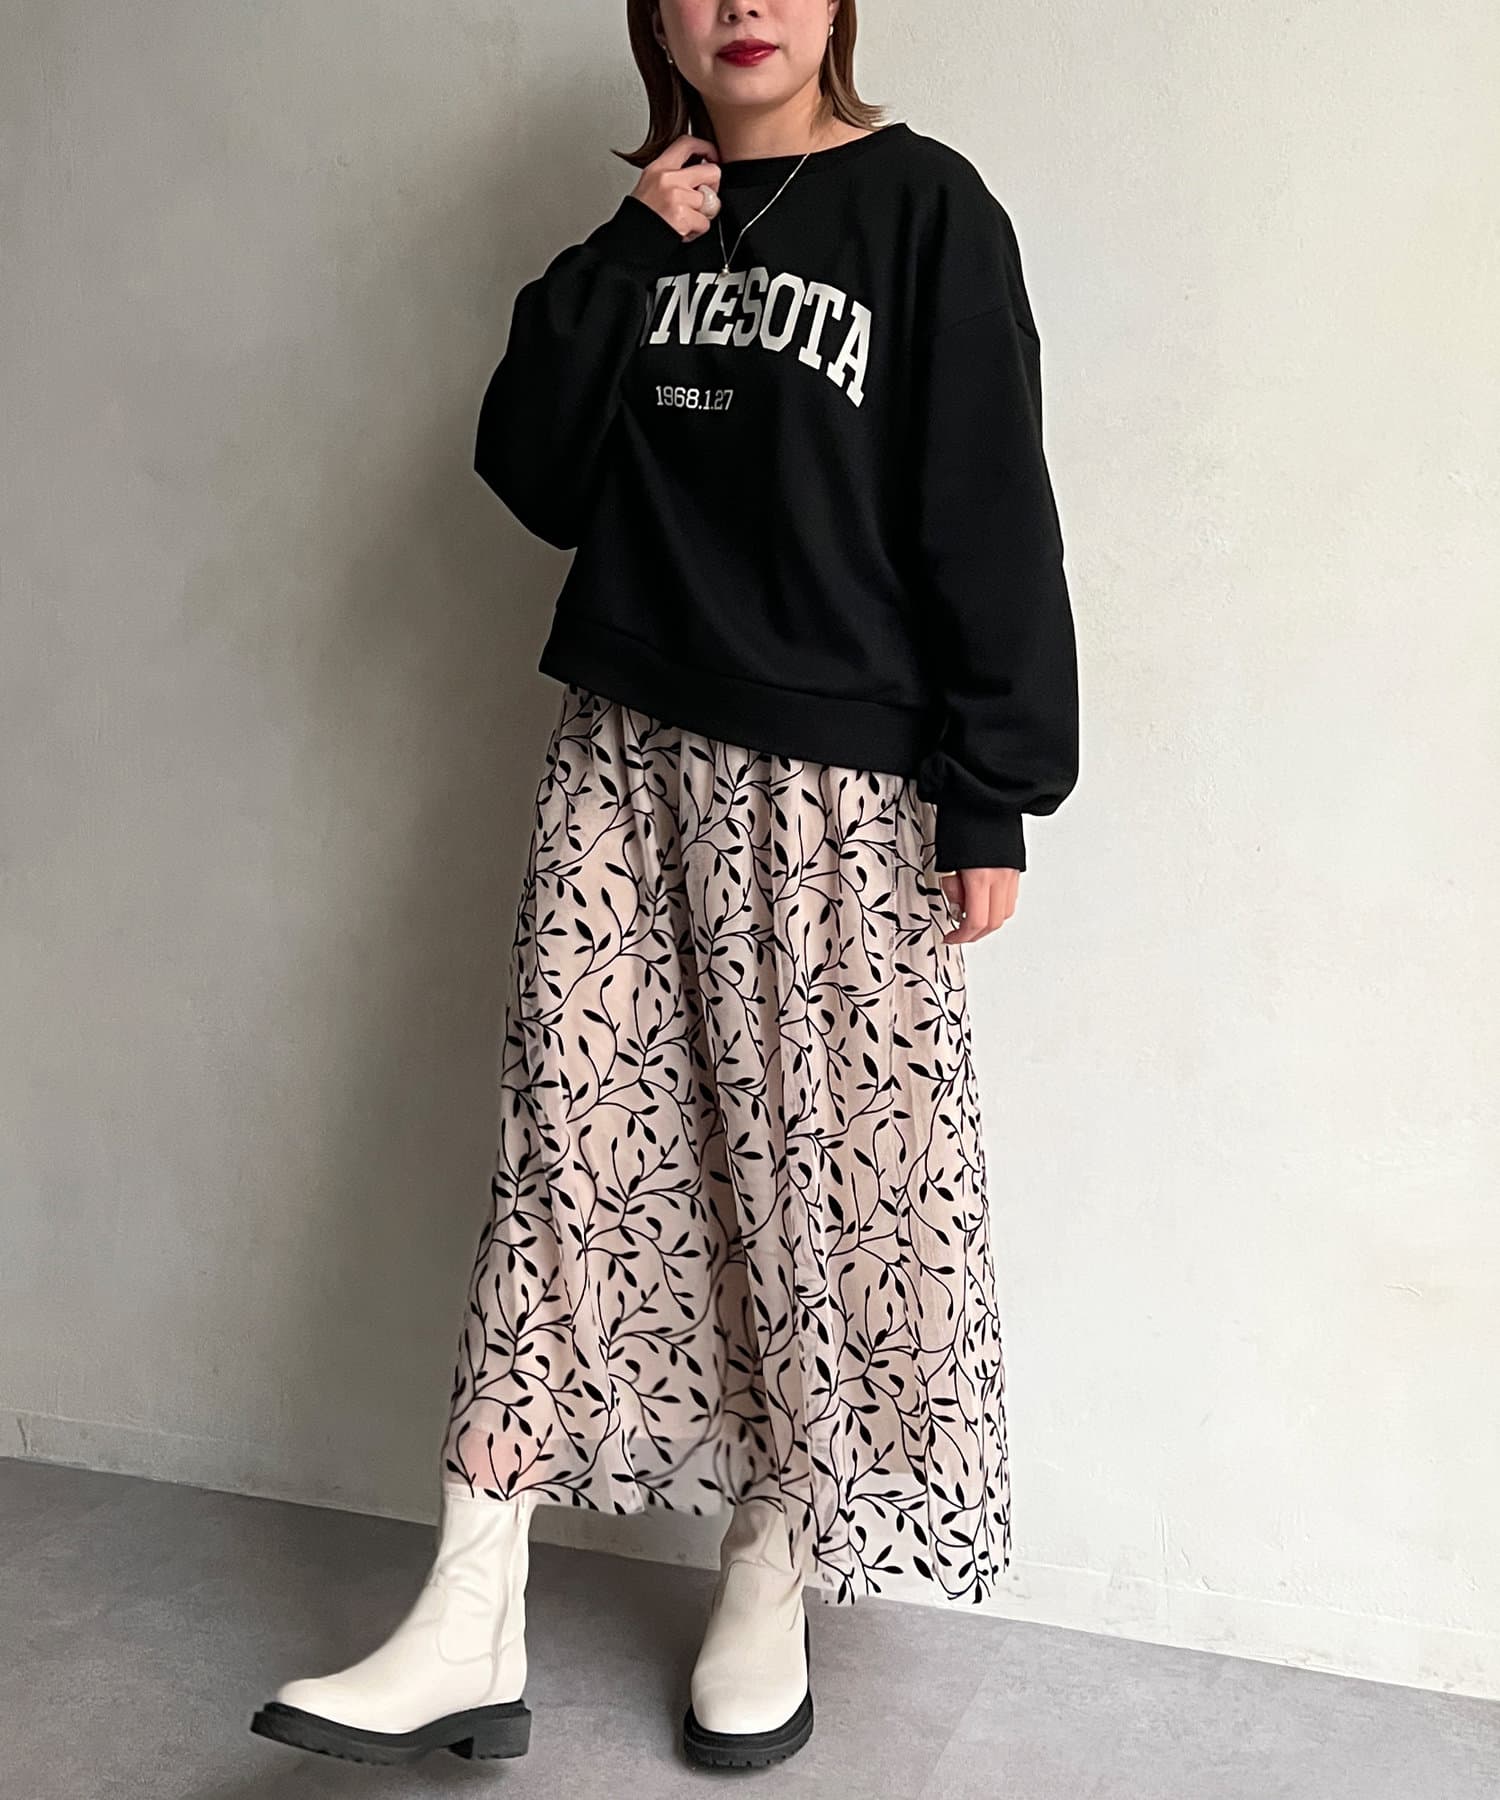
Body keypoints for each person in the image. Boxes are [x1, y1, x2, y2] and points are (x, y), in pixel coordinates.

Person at [250, 0, 1078, 1773]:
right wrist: (630, 252)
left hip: (836, 788)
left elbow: (989, 502)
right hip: (621, 757)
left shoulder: (926, 208)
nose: (742, 4)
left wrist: (995, 793)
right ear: (658, 19)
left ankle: (772, 1567)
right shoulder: (646, 235)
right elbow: (532, 472)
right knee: (564, 1158)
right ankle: (469, 1612)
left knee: (798, 1181)